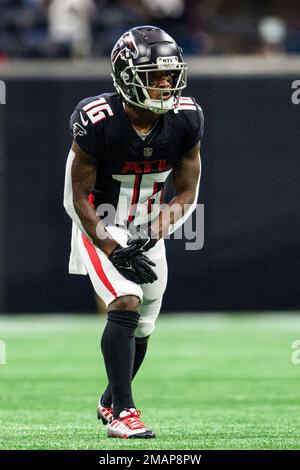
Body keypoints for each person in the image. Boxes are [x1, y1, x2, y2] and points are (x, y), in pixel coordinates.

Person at [63, 25, 204, 439]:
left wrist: (156, 231)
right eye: (153, 76)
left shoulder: (187, 117)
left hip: (147, 227)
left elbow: (187, 190)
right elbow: (76, 197)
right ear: (126, 77)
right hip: (98, 222)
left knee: (143, 327)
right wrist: (109, 244)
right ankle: (125, 414)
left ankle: (110, 400)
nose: (166, 84)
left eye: (170, 75)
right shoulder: (98, 120)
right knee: (125, 300)